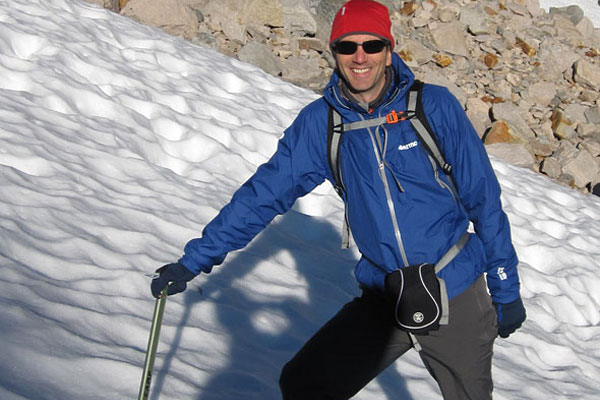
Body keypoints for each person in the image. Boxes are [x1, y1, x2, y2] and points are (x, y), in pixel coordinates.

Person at [150, 1, 526, 398]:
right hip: (385, 291)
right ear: (334, 52)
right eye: (347, 47)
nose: (359, 57)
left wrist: (505, 286)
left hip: (456, 287)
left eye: (372, 45)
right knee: (306, 384)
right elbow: (262, 196)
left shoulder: (432, 106)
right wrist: (194, 260)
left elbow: (484, 199)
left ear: (389, 49)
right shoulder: (322, 124)